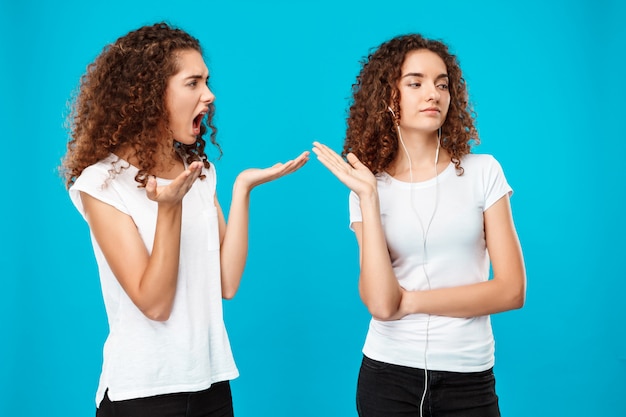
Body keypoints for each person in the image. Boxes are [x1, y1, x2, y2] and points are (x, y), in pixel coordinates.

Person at [61, 22, 308, 417]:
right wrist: (169, 207)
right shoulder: (101, 184)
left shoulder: (199, 170)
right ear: (150, 94)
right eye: (193, 83)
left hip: (210, 384)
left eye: (207, 82)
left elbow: (226, 282)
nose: (209, 96)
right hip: (142, 393)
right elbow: (155, 304)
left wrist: (242, 190)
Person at [312, 34, 526, 417]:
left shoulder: (483, 172)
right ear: (388, 97)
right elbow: (379, 302)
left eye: (442, 84)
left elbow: (511, 290)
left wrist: (411, 302)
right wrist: (369, 198)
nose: (433, 94)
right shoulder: (367, 187)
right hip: (387, 376)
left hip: (468, 376)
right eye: (416, 83)